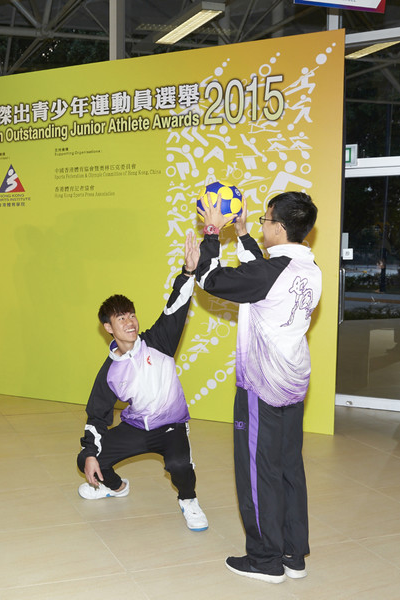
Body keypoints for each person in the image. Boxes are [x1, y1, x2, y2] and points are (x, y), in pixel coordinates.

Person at [195, 191, 321, 583]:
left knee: (256, 468)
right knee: (287, 466)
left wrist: (212, 232)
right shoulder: (310, 268)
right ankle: (292, 552)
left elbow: (211, 278)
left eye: (266, 221)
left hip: (262, 386)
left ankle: (265, 559)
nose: (263, 225)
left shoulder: (270, 274)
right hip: (294, 380)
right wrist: (247, 235)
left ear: (280, 227)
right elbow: (264, 274)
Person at [76, 232, 208, 532]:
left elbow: (175, 307)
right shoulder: (110, 372)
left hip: (171, 426)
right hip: (136, 427)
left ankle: (189, 500)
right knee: (91, 459)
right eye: (121, 319)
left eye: (132, 315)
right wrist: (89, 454)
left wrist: (188, 272)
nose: (130, 322)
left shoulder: (158, 342)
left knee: (178, 466)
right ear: (108, 327)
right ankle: (116, 487)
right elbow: (97, 416)